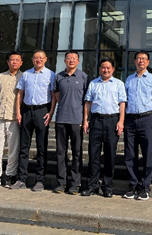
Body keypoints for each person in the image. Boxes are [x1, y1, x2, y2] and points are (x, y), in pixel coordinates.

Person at [81, 57, 127, 198]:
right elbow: (88, 102)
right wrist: (85, 120)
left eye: (108, 68)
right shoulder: (93, 83)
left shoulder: (118, 84)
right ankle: (92, 185)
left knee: (110, 155)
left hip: (112, 121)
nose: (105, 70)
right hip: (96, 120)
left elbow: (122, 104)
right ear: (100, 69)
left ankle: (107, 186)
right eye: (103, 67)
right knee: (93, 155)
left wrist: (121, 121)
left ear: (113, 69)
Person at [10, 49, 55, 192]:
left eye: (41, 57)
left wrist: (51, 112)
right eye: (36, 57)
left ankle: (40, 180)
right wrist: (18, 112)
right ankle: (21, 179)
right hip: (26, 111)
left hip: (42, 111)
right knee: (24, 147)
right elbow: (20, 94)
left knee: (41, 148)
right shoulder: (26, 74)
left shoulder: (51, 75)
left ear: (45, 59)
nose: (38, 60)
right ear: (32, 59)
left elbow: (54, 96)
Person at [123, 50, 152, 201]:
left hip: (147, 118)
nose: (141, 61)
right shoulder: (129, 79)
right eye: (138, 58)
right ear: (135, 61)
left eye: (144, 59)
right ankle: (133, 185)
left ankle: (145, 187)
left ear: (148, 62)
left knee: (148, 153)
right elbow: (124, 100)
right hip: (130, 119)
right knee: (130, 153)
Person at [50, 50, 89, 195]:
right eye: (68, 58)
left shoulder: (84, 77)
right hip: (61, 119)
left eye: (74, 58)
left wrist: (85, 119)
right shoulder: (58, 76)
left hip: (77, 120)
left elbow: (87, 100)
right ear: (65, 60)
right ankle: (61, 183)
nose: (71, 60)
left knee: (77, 152)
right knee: (61, 152)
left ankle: (75, 184)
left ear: (78, 61)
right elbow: (56, 96)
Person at [0, 51, 23, 188]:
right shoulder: (0, 77)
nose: (14, 62)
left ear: (21, 63)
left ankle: (10, 176)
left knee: (13, 149)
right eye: (12, 60)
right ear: (8, 62)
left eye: (17, 60)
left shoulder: (24, 77)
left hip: (14, 118)